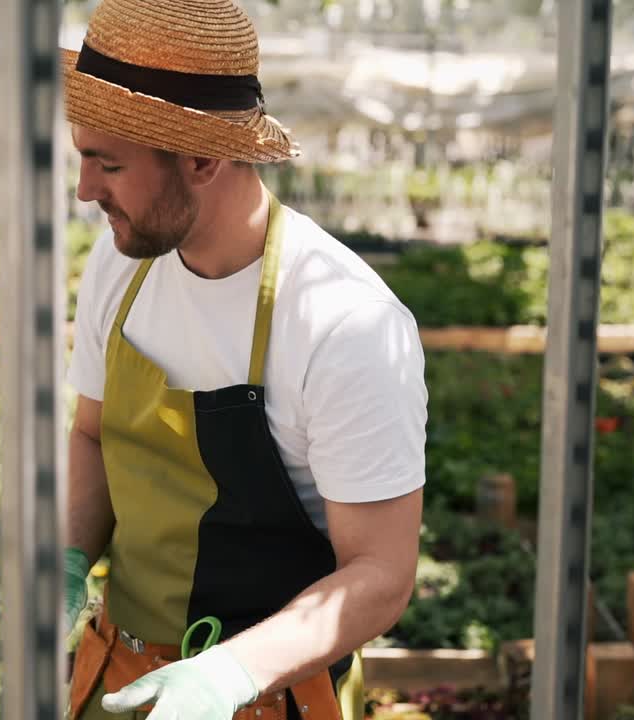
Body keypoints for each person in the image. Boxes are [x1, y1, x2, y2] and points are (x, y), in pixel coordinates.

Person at [60, 0, 428, 718]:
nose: (85, 191)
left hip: (271, 694)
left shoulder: (343, 322)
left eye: (108, 163)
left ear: (202, 158)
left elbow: (382, 572)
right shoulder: (119, 265)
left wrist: (226, 675)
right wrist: (68, 559)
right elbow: (93, 433)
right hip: (117, 674)